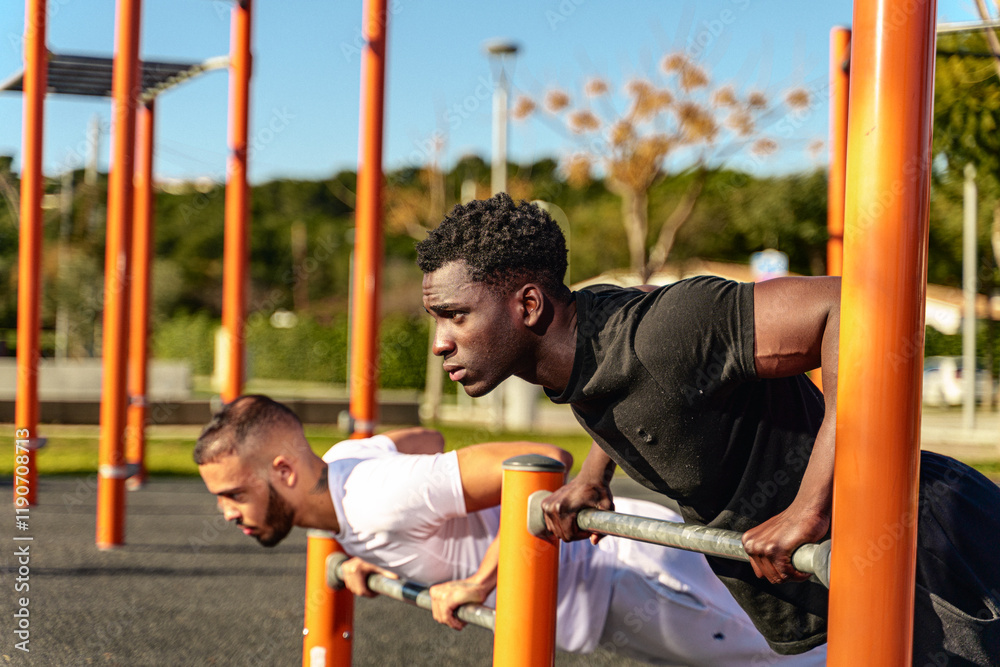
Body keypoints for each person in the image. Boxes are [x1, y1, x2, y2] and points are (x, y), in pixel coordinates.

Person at [415, 192, 1000, 663]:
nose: (441, 341)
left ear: (528, 305)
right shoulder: (577, 345)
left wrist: (808, 506)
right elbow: (620, 382)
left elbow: (852, 308)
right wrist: (595, 475)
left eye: (456, 315)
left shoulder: (666, 331)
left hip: (932, 547)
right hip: (857, 572)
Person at [194, 394, 826, 665]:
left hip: (632, 575)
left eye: (234, 495)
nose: (227, 513)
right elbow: (426, 440)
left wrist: (477, 581)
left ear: (282, 469)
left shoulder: (376, 495)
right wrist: (371, 558)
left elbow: (538, 461)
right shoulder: (346, 472)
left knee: (807, 653)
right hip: (614, 599)